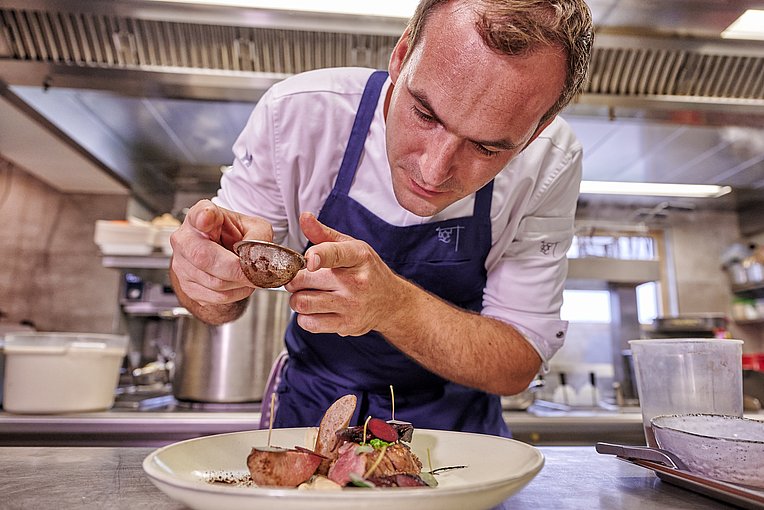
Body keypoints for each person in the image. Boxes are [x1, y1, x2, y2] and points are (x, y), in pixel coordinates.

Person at [170, 0, 594, 437]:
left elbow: (516, 366)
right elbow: (210, 301)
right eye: (425, 114)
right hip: (312, 412)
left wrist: (393, 305)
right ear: (401, 57)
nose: (434, 171)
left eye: (486, 148)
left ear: (537, 129)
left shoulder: (551, 161)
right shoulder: (299, 115)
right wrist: (212, 279)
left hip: (458, 435)